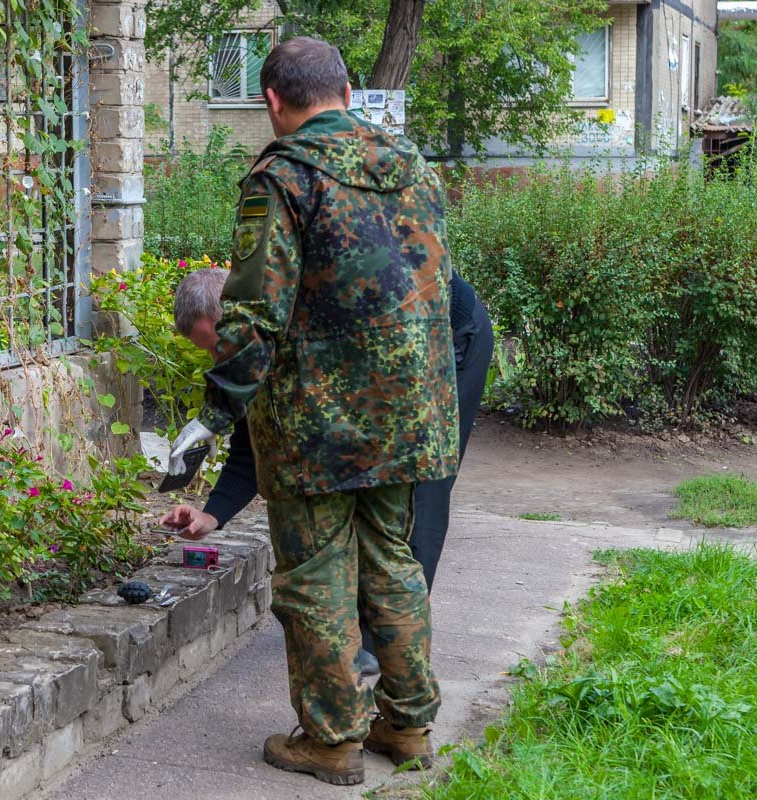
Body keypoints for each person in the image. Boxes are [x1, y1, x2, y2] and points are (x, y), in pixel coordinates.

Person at [165, 37, 461, 786]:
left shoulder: (283, 177)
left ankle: (331, 739)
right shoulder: (415, 168)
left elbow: (256, 313)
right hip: (413, 413)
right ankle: (408, 723)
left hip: (320, 425)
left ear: (272, 102)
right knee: (393, 563)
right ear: (350, 91)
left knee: (317, 578)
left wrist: (213, 417)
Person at [162, 266, 494, 668]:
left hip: (443, 332)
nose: (221, 360)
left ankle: (390, 651)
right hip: (379, 347)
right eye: (211, 353)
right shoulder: (256, 344)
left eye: (219, 347)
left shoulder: (310, 317)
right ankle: (360, 632)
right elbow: (255, 443)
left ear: (238, 319)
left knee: (415, 480)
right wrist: (211, 515)